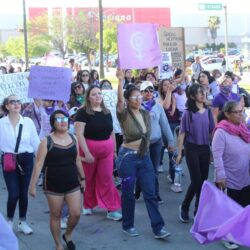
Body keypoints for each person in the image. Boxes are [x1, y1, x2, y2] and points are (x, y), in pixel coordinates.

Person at [116, 69, 170, 239]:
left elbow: (153, 131)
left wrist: (170, 143)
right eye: (134, 97)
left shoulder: (146, 114)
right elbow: (119, 101)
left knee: (150, 193)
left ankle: (158, 227)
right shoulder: (124, 114)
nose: (138, 99)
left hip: (144, 157)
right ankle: (128, 225)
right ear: (128, 99)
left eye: (140, 96)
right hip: (127, 159)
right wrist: (120, 81)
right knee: (128, 194)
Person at [29, 110, 85, 250]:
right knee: (56, 214)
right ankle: (58, 244)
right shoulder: (46, 141)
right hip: (53, 184)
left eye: (65, 118)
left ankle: (68, 235)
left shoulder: (74, 138)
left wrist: (83, 178)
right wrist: (33, 186)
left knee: (76, 213)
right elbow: (39, 164)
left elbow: (77, 160)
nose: (63, 121)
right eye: (59, 119)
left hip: (72, 182)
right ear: (53, 123)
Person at [74, 85, 122, 220]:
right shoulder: (82, 112)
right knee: (89, 179)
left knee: (106, 178)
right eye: (94, 94)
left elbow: (112, 131)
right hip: (89, 150)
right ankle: (88, 205)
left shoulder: (107, 112)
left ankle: (111, 208)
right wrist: (87, 153)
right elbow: (79, 134)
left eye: (99, 93)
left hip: (106, 151)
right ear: (88, 97)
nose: (98, 96)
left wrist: (114, 149)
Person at [212, 100, 250, 250]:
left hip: (245, 175)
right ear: (227, 114)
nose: (241, 114)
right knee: (231, 209)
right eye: (237, 112)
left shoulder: (243, 129)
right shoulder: (221, 131)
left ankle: (240, 233)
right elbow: (217, 155)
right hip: (229, 177)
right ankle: (228, 237)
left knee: (244, 206)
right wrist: (220, 176)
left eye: (242, 111)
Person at [0, 95, 40, 234]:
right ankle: (9, 221)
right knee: (13, 194)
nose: (16, 104)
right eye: (13, 102)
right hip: (9, 160)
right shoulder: (1, 123)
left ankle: (22, 222)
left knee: (23, 193)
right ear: (7, 106)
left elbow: (35, 143)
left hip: (26, 159)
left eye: (18, 101)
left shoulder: (28, 122)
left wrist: (43, 160)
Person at [176, 84, 215, 223]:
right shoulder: (188, 112)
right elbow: (182, 133)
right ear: (192, 96)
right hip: (191, 148)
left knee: (202, 182)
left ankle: (196, 209)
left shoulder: (208, 111)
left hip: (205, 148)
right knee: (197, 181)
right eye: (198, 93)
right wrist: (179, 152)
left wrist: (213, 150)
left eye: (203, 91)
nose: (202, 94)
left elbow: (212, 133)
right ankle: (188, 208)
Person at [135, 81, 175, 203]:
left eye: (151, 90)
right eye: (145, 90)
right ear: (141, 92)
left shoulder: (157, 106)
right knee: (143, 169)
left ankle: (155, 194)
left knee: (154, 170)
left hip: (156, 142)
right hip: (142, 143)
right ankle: (137, 190)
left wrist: (171, 141)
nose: (149, 93)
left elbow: (164, 124)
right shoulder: (136, 106)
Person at [158, 79, 181, 192]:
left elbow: (173, 107)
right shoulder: (158, 98)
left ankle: (173, 178)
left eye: (169, 84)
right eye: (165, 85)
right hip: (163, 128)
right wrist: (169, 92)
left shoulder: (173, 96)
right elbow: (166, 106)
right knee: (161, 150)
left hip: (173, 124)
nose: (168, 86)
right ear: (161, 88)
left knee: (173, 152)